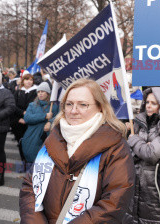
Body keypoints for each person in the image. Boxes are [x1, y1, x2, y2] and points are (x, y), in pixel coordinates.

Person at [19, 79, 135, 223]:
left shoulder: (116, 147)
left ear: (100, 107)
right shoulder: (53, 138)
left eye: (83, 105)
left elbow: (114, 202)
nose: (73, 111)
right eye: (69, 104)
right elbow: (30, 186)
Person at [128, 87, 160, 223]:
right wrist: (143, 146)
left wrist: (135, 140)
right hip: (136, 183)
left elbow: (151, 155)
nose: (148, 106)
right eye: (147, 102)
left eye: (153, 103)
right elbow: (131, 152)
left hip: (155, 189)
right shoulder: (140, 123)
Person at [21, 83, 59, 164]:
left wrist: (50, 122)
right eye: (38, 92)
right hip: (32, 135)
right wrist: (44, 116)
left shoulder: (54, 107)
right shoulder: (32, 105)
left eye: (43, 91)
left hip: (45, 137)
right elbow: (27, 118)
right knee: (30, 155)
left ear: (48, 93)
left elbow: (57, 119)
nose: (40, 93)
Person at [12, 74, 38, 145]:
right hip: (19, 121)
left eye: (31, 80)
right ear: (23, 81)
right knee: (21, 142)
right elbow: (13, 106)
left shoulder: (36, 92)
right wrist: (21, 114)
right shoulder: (18, 92)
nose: (29, 82)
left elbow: (37, 106)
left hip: (31, 122)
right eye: (27, 79)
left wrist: (28, 117)